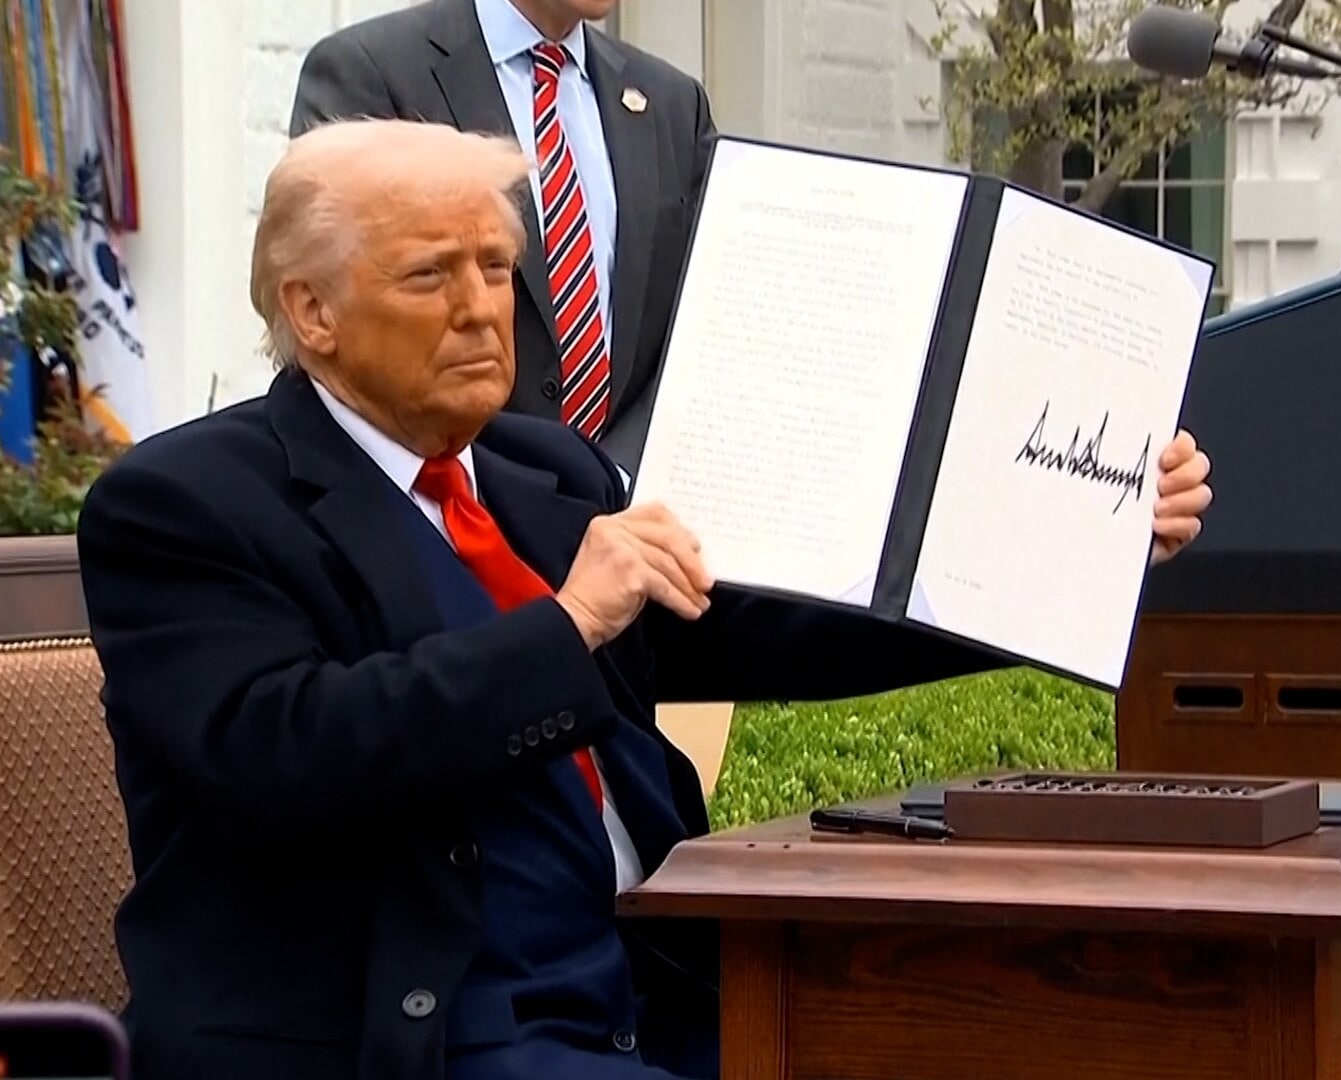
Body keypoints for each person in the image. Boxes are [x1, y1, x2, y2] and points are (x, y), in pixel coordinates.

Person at [75, 119, 1218, 1080]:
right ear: (312, 311)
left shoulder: (543, 473)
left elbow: (764, 622)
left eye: (495, 267)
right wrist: (569, 625)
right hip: (412, 1034)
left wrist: (1072, 543)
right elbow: (284, 755)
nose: (481, 309)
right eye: (430, 275)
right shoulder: (184, 504)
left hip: (666, 988)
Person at [290, 0, 708, 472]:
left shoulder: (674, 104)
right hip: (447, 500)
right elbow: (350, 343)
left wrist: (611, 481)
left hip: (626, 498)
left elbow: (699, 328)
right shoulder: (371, 73)